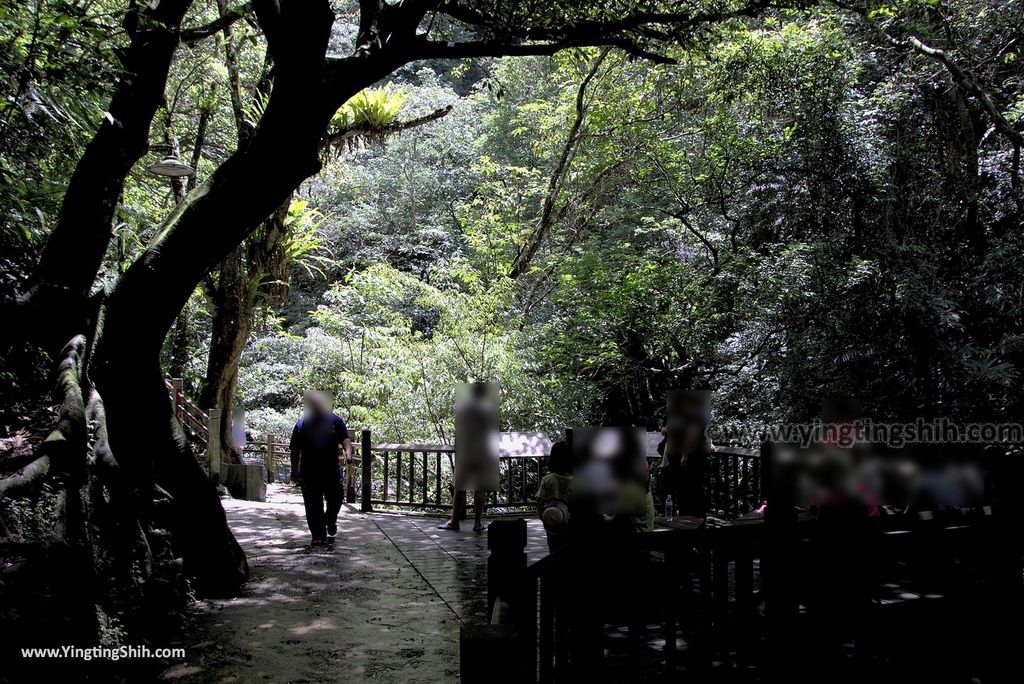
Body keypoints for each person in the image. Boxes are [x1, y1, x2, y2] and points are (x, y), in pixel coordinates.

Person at [289, 391, 352, 546]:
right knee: (312, 504)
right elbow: (295, 449)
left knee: (336, 500)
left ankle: (330, 520)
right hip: (309, 472)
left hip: (331, 470)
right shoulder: (302, 424)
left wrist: (348, 451)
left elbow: (345, 438)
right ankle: (318, 535)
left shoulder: (335, 421)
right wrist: (294, 471)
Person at [439, 382, 499, 533]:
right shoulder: (488, 409)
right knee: (479, 488)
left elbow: (460, 431)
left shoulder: (464, 407)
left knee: (460, 487)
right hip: (482, 452)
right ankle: (477, 523)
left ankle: (454, 522)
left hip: (466, 451)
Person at [537, 441, 573, 551]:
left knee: (553, 550)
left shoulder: (547, 480)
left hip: (552, 522)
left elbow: (540, 502)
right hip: (570, 524)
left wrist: (544, 518)